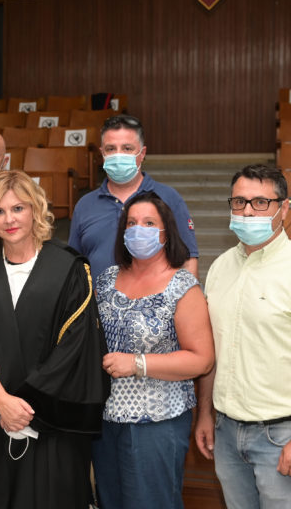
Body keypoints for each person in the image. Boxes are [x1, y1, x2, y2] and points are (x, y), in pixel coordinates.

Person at [0, 170, 110, 509]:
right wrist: (2, 402)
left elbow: (75, 350)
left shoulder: (69, 268)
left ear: (35, 209)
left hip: (52, 419)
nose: (9, 219)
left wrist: (24, 409)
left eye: (18, 208)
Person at [195, 164, 291, 508]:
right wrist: (205, 414)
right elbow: (213, 351)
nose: (248, 211)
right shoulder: (220, 268)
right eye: (239, 202)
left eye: (260, 202)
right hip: (227, 432)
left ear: (284, 208)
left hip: (283, 436)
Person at [92, 191, 214, 509]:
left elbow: (202, 359)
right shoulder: (105, 281)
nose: (138, 230)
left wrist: (138, 363)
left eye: (148, 223)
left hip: (156, 424)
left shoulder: (182, 286)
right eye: (131, 223)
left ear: (165, 232)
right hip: (105, 420)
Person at [69, 114, 199, 278]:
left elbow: (188, 260)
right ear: (102, 154)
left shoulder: (168, 198)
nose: (118, 155)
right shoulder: (85, 205)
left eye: (127, 148)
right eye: (111, 149)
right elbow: (73, 264)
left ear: (142, 153)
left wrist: (188, 293)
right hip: (97, 294)